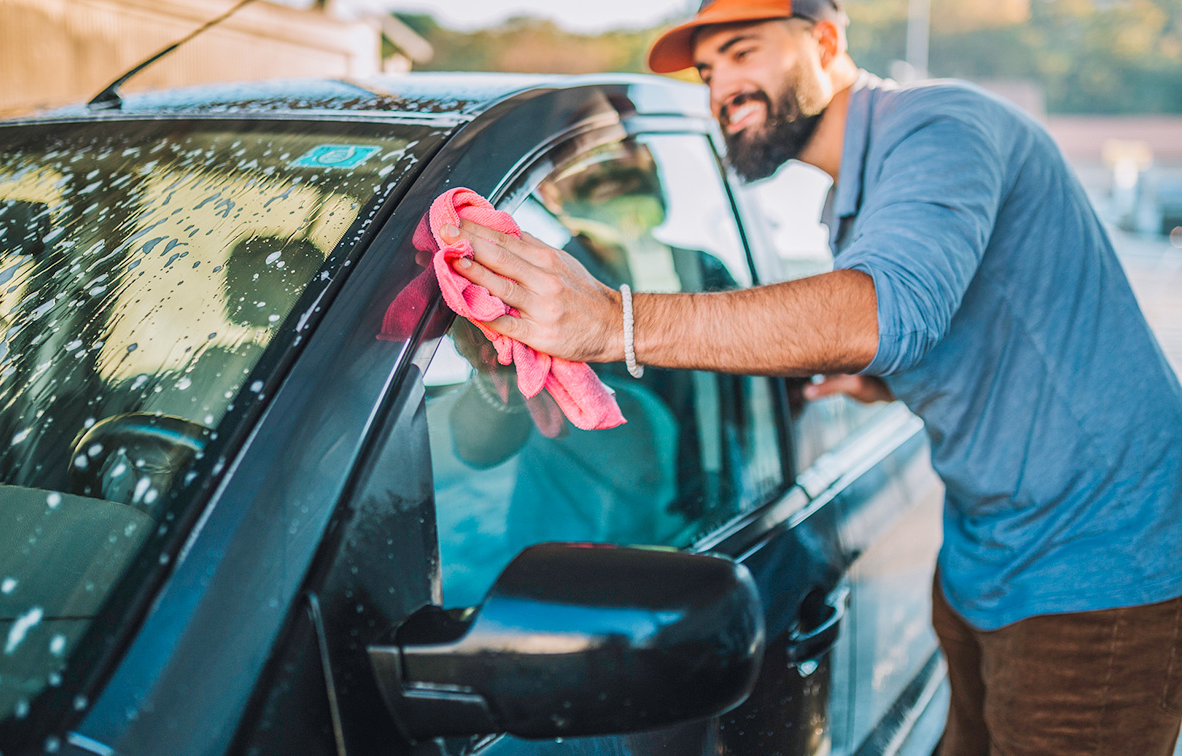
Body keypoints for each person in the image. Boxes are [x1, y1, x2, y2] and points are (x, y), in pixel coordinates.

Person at [438, 0, 1182, 754]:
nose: (722, 86)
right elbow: (985, 324)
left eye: (743, 50)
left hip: (1098, 563)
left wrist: (611, 321)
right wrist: (882, 383)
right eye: (708, 69)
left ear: (826, 40)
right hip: (983, 554)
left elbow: (886, 313)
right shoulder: (858, 195)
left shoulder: (940, 125)